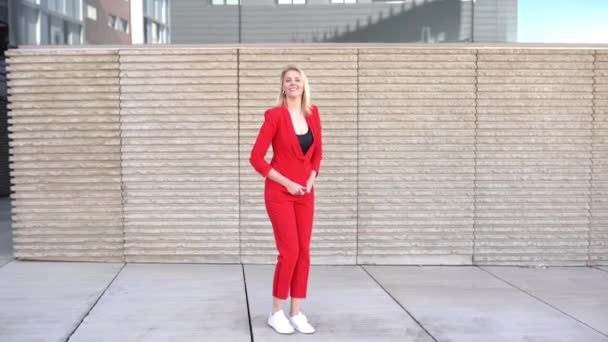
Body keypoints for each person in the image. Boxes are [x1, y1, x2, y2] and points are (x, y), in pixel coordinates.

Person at [249, 65, 323, 334]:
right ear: (282, 87)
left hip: (305, 194)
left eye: (297, 80)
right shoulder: (274, 116)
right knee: (289, 252)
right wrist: (288, 183)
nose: (293, 84)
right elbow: (256, 158)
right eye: (288, 80)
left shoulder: (313, 115)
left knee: (304, 253)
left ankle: (297, 312)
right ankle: (276, 312)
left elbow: (317, 155)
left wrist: (310, 180)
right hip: (280, 193)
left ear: (304, 85)